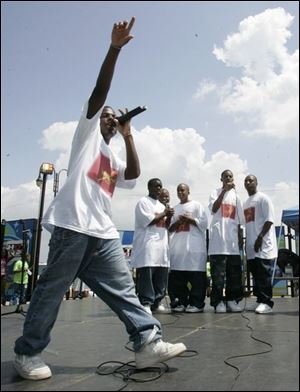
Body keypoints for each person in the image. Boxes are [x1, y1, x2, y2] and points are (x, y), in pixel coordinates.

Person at [13, 18, 186, 381]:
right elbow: (98, 93)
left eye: (112, 117)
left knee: (124, 291)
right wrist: (115, 49)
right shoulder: (87, 136)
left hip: (103, 232)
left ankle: (146, 342)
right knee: (51, 292)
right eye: (107, 116)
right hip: (71, 226)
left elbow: (134, 176)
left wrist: (128, 135)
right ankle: (28, 352)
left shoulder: (113, 156)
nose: (110, 118)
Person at [130, 179, 173, 314]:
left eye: (160, 186)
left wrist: (169, 216)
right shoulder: (143, 202)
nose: (159, 188)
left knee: (160, 275)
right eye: (156, 186)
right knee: (147, 275)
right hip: (148, 245)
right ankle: (145, 303)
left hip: (161, 246)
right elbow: (147, 221)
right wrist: (165, 213)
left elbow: (166, 226)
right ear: (149, 187)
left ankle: (156, 302)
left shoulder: (161, 205)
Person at [168, 184, 208, 313]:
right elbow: (170, 229)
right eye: (178, 190)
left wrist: (189, 219)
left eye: (182, 190)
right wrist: (179, 222)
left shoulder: (197, 206)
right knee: (178, 278)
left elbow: (204, 223)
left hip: (194, 249)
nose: (180, 192)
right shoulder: (175, 209)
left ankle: (197, 304)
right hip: (178, 250)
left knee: (196, 279)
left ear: (188, 191)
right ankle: (181, 302)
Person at [208, 170, 244, 313]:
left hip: (232, 244)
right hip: (218, 244)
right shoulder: (215, 192)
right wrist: (224, 192)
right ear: (221, 179)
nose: (228, 178)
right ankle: (218, 302)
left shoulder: (237, 196)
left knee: (234, 275)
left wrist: (240, 238)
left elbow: (240, 220)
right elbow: (214, 208)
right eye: (226, 177)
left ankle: (231, 300)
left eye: (230, 176)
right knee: (218, 277)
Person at [243, 174, 277, 314]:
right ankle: (259, 300)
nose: (248, 182)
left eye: (251, 180)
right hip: (251, 246)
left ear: (256, 183)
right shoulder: (245, 203)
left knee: (263, 274)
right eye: (246, 181)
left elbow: (269, 220)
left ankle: (267, 302)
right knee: (255, 274)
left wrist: (260, 238)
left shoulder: (263, 198)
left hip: (263, 244)